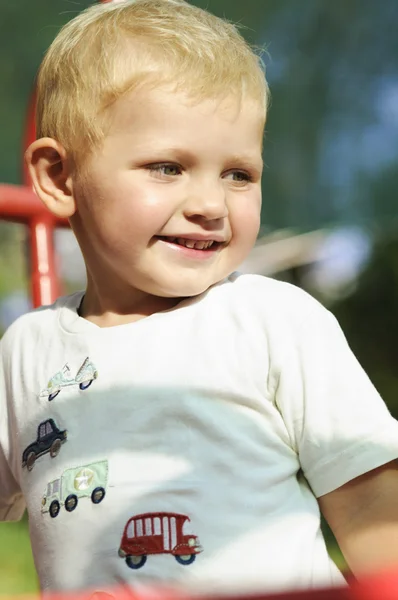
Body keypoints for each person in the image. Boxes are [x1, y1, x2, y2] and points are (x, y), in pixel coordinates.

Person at [1, 0, 398, 596]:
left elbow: (375, 516)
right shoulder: (26, 350)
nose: (212, 204)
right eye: (167, 167)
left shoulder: (272, 320)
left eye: (239, 174)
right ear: (60, 177)